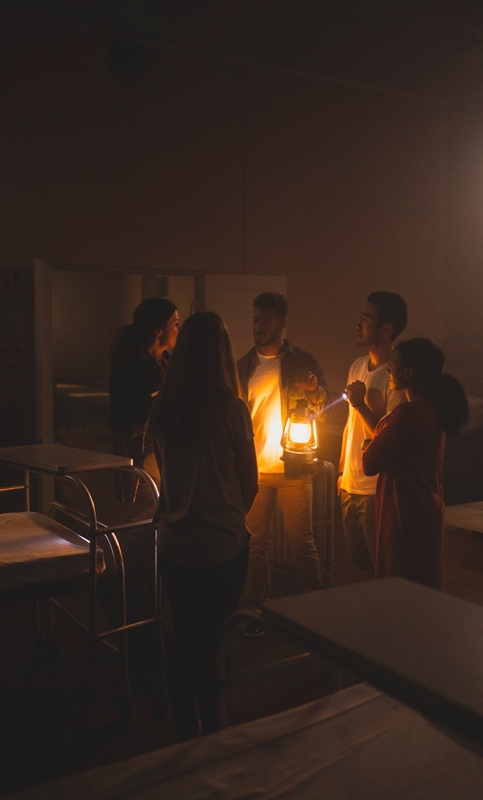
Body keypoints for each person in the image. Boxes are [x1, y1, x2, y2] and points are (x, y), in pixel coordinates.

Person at [147, 311, 258, 737]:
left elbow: (165, 475)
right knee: (217, 637)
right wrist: (226, 512)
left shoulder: (162, 408)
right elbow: (249, 483)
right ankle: (214, 726)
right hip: (222, 543)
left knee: (182, 633)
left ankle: (183, 724)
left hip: (175, 541)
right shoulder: (232, 410)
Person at [237, 292, 328, 635]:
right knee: (254, 545)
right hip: (255, 470)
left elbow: (324, 407)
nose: (259, 326)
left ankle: (314, 616)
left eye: (266, 320)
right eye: (255, 319)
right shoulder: (243, 366)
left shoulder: (303, 362)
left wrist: (314, 390)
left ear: (282, 323)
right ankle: (257, 614)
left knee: (302, 543)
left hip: (293, 469)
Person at [362, 338, 469, 589]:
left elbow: (370, 462)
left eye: (392, 365)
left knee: (399, 586)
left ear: (408, 373)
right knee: (422, 587)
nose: (388, 371)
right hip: (426, 507)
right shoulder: (432, 409)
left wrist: (368, 444)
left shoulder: (408, 414)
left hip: (404, 511)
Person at [339, 291, 408, 577]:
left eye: (367, 318)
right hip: (350, 485)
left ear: (386, 329)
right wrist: (342, 472)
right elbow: (350, 426)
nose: (359, 324)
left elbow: (389, 440)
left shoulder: (395, 377)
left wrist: (360, 404)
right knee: (361, 564)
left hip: (374, 489)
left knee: (383, 570)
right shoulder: (357, 365)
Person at [108, 297, 180, 499]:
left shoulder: (168, 363)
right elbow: (123, 422)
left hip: (162, 457)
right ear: (158, 331)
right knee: (141, 511)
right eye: (175, 324)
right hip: (139, 462)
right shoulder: (131, 369)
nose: (179, 329)